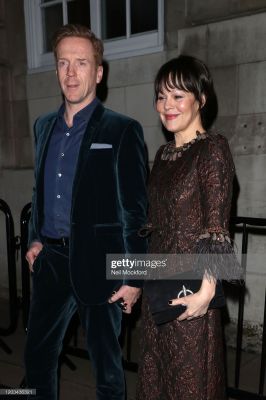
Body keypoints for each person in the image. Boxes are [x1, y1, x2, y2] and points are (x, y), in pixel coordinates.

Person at [24, 24, 147, 400]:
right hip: (52, 260)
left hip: (101, 263)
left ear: (98, 72)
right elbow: (39, 189)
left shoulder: (123, 130)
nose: (71, 73)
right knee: (36, 359)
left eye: (81, 63)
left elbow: (135, 211)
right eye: (63, 63)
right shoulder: (43, 126)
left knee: (107, 368)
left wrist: (134, 276)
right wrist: (34, 239)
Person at [136, 55, 240, 400]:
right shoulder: (163, 156)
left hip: (190, 292)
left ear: (201, 98)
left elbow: (216, 227)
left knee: (189, 384)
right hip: (158, 288)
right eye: (161, 97)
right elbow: (156, 229)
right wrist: (136, 282)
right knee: (156, 379)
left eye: (178, 96)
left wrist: (208, 293)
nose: (167, 105)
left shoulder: (212, 149)